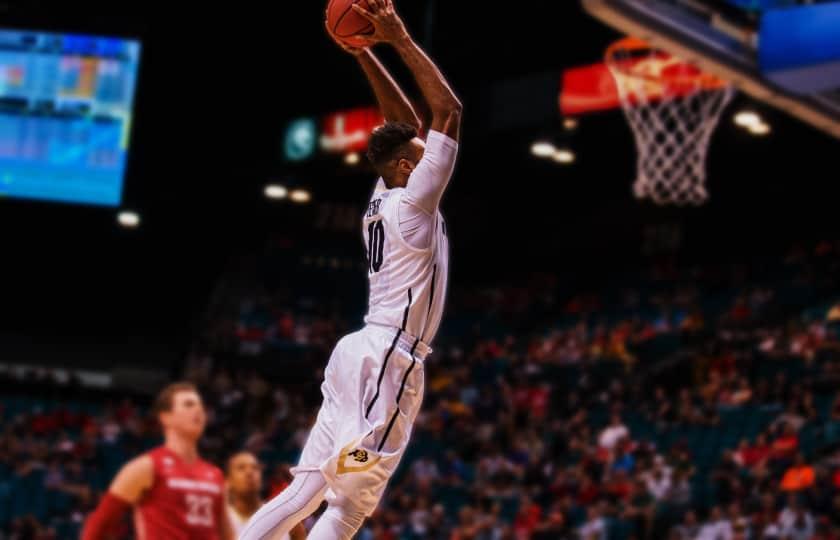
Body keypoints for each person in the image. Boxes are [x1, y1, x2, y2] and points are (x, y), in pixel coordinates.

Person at [239, 0, 461, 538]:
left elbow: (402, 122)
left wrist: (364, 52)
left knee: (303, 492)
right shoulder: (414, 204)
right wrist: (401, 40)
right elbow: (447, 111)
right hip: (390, 357)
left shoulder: (384, 194)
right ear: (410, 165)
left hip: (356, 351)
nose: (425, 144)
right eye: (420, 149)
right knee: (349, 503)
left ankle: (339, 467)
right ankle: (351, 461)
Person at [81, 382, 234, 540]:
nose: (199, 410)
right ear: (165, 417)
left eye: (201, 406)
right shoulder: (146, 466)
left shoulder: (215, 474)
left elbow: (228, 535)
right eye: (188, 404)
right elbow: (99, 524)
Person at [225, 451, 305, 539]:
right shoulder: (219, 521)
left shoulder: (284, 515)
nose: (249, 472)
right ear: (228, 481)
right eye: (241, 468)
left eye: (255, 468)